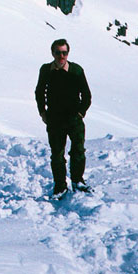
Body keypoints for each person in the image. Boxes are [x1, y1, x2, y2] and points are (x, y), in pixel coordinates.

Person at [35, 39, 92, 197]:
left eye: (64, 52)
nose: (61, 56)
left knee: (78, 150)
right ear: (52, 53)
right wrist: (43, 112)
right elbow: (39, 92)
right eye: (58, 52)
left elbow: (86, 95)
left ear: (68, 53)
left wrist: (80, 113)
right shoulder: (46, 70)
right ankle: (60, 186)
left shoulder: (76, 70)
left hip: (74, 118)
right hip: (55, 119)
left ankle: (77, 181)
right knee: (57, 154)